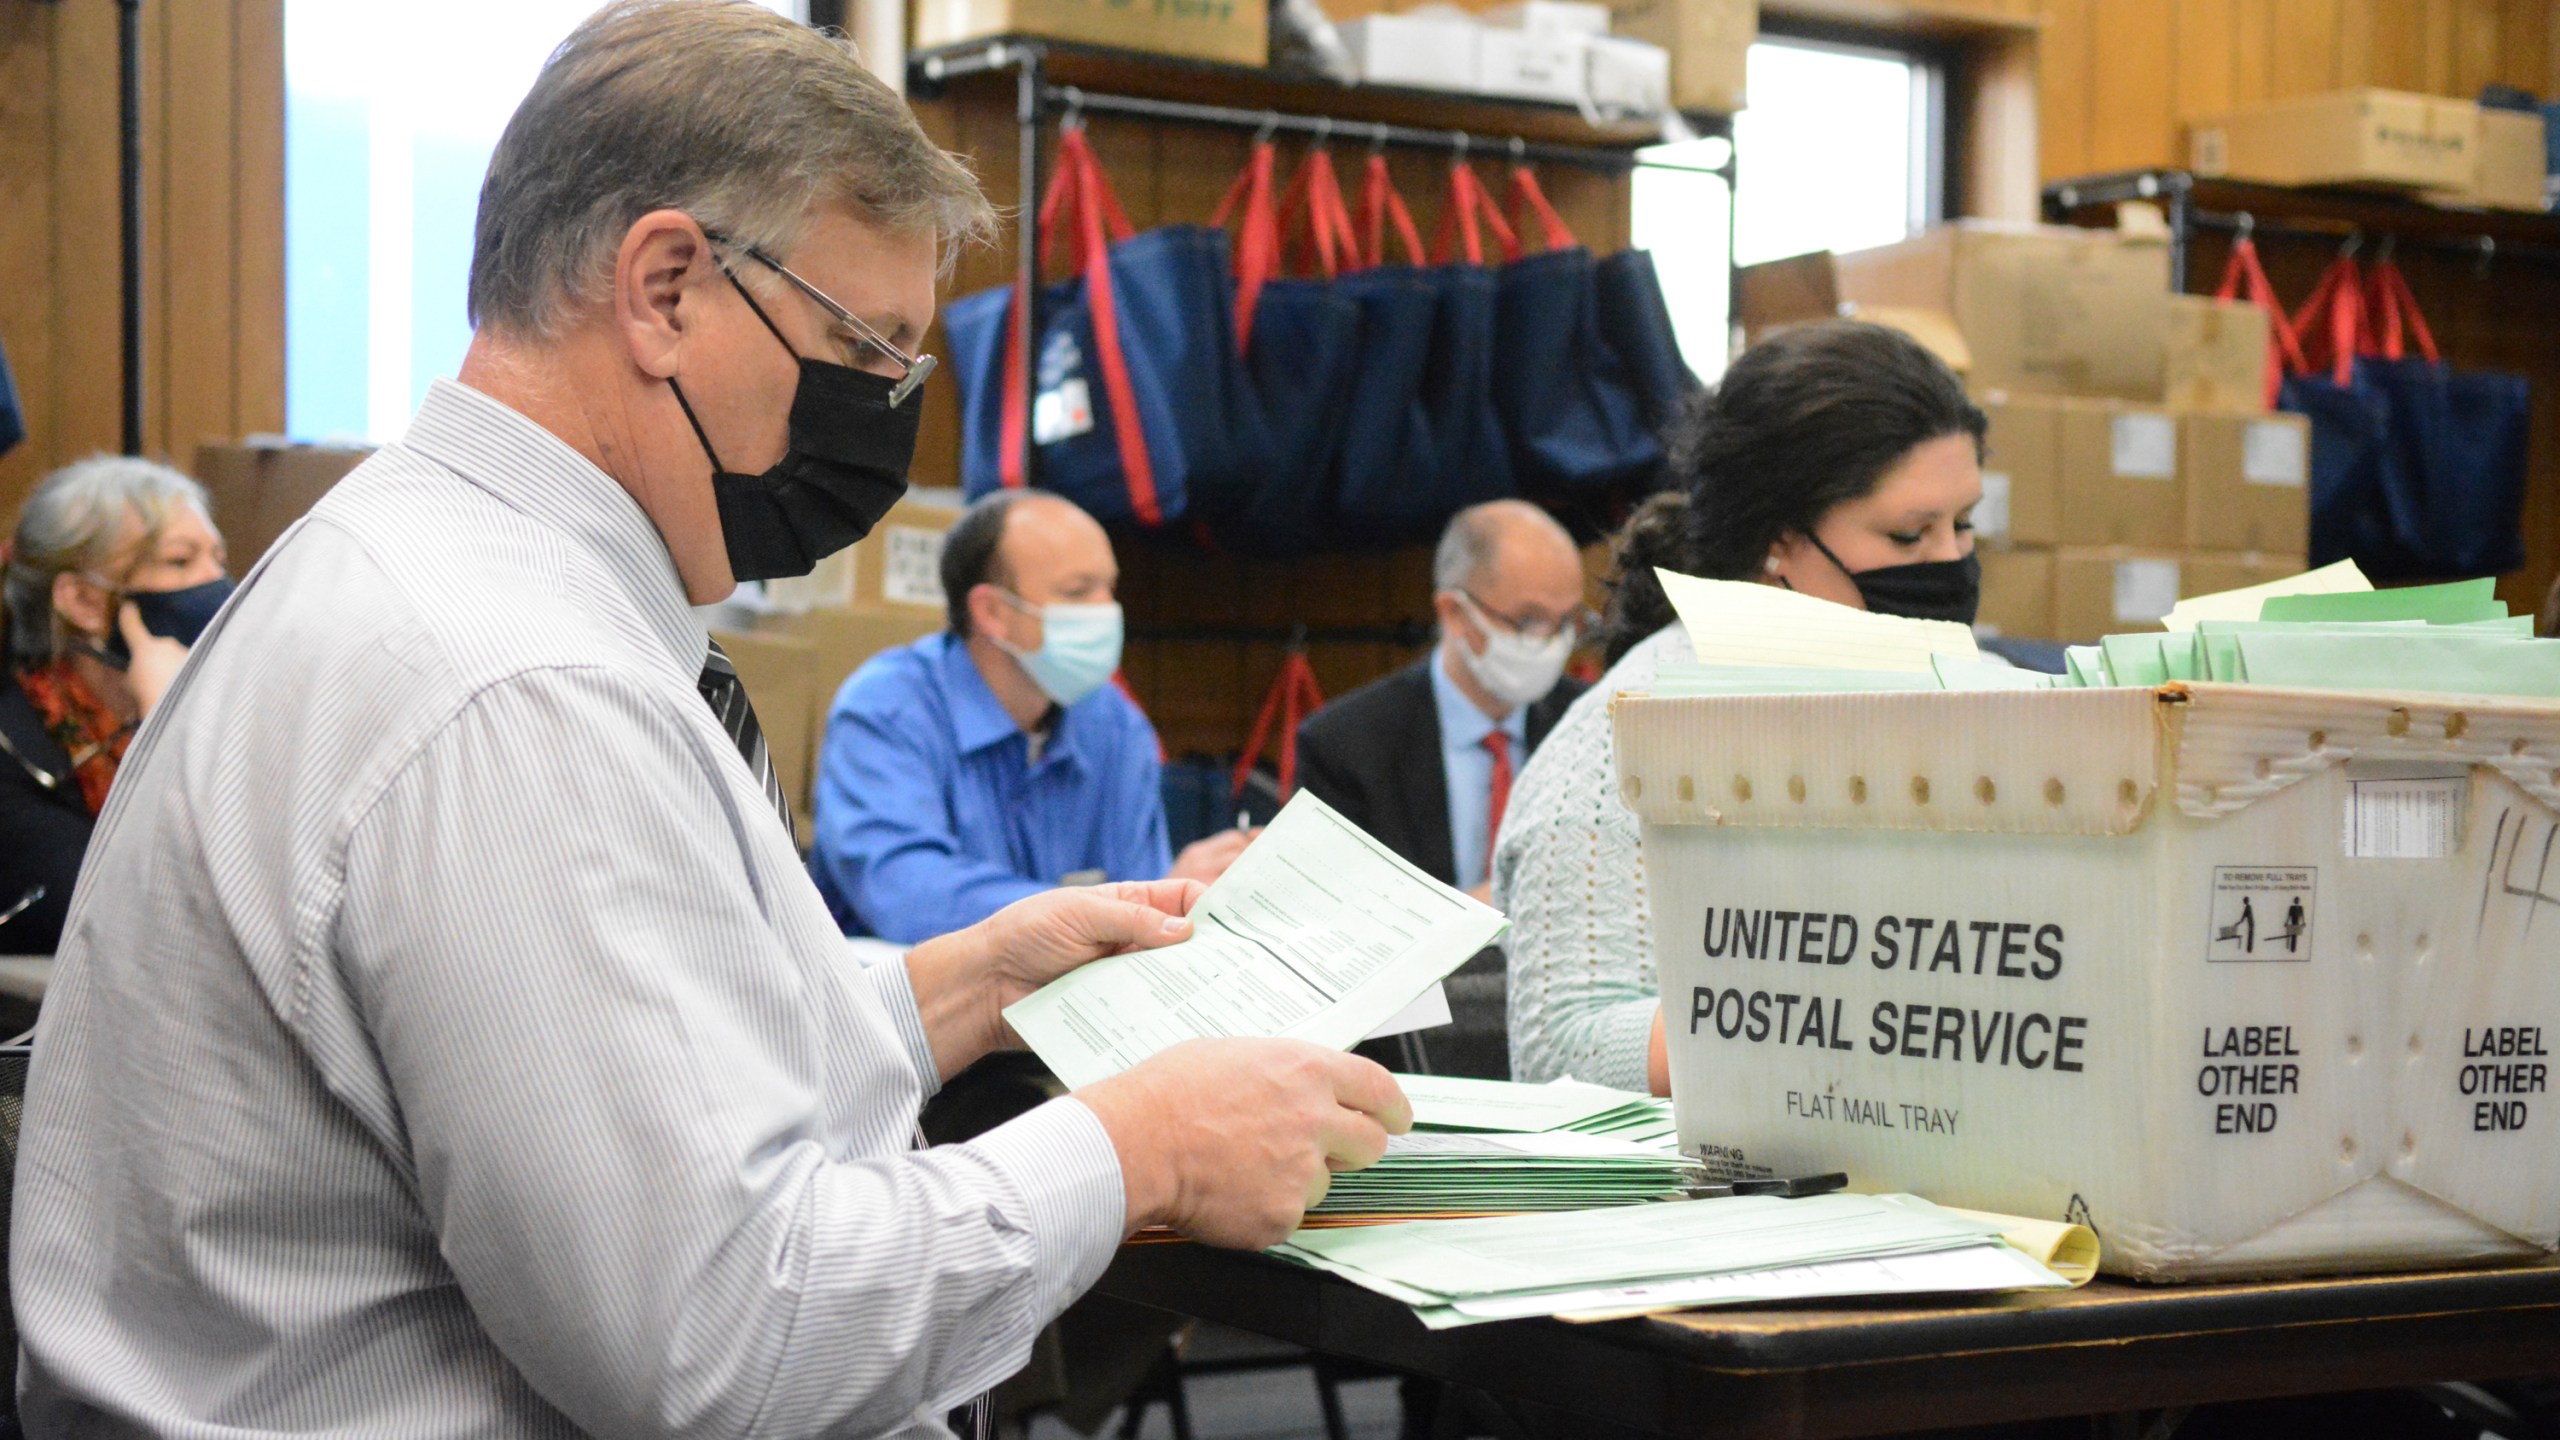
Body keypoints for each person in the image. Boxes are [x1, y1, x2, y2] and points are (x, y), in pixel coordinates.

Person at [12, 5, 1409, 1435]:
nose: (885, 412)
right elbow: (723, 1340)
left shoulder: (432, 570)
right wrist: (1142, 1151)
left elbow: (630, 1063)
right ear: (666, 290)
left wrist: (960, 986)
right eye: (866, 349)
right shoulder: (520, 691)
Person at [1499, 320, 1986, 1094]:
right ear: (1779, 545)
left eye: (1963, 526)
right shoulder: (1616, 749)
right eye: (1908, 534)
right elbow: (1566, 1050)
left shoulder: (1975, 689)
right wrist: (1857, 1020)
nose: (1950, 565)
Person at [808, 489, 1253, 943]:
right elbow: (908, 896)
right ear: (993, 612)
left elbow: (1140, 911)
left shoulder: (1117, 727)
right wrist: (1113, 909)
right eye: (1078, 592)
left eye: (1110, 588)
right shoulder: (887, 709)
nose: (1107, 612)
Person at [1296, 500, 1590, 1080]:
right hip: (1406, 1058)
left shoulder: (1589, 725)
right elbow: (1329, 942)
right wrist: (1468, 913)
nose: (1553, 644)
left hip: (1566, 1038)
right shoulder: (1346, 744)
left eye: (1570, 622)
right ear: (1456, 615)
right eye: (1530, 622)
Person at [0, 456, 229, 956]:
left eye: (217, 559)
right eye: (180, 561)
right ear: (83, 600)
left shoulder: (229, 695)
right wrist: (166, 723)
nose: (216, 585)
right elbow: (140, 921)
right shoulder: (13, 752)